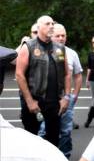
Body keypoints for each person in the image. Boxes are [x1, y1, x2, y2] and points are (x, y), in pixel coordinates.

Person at [15, 15, 71, 146]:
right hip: (34, 102)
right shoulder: (28, 47)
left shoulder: (60, 48)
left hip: (54, 102)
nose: (51, 26)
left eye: (52, 23)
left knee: (53, 140)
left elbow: (67, 74)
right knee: (31, 141)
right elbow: (19, 75)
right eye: (47, 24)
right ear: (39, 27)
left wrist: (66, 97)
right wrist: (29, 101)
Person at [39, 23, 83, 158]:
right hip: (46, 99)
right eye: (57, 35)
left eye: (63, 35)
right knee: (43, 130)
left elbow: (78, 75)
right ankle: (43, 158)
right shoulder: (39, 51)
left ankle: (64, 158)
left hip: (66, 98)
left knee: (65, 131)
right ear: (51, 36)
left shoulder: (72, 53)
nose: (61, 38)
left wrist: (74, 96)